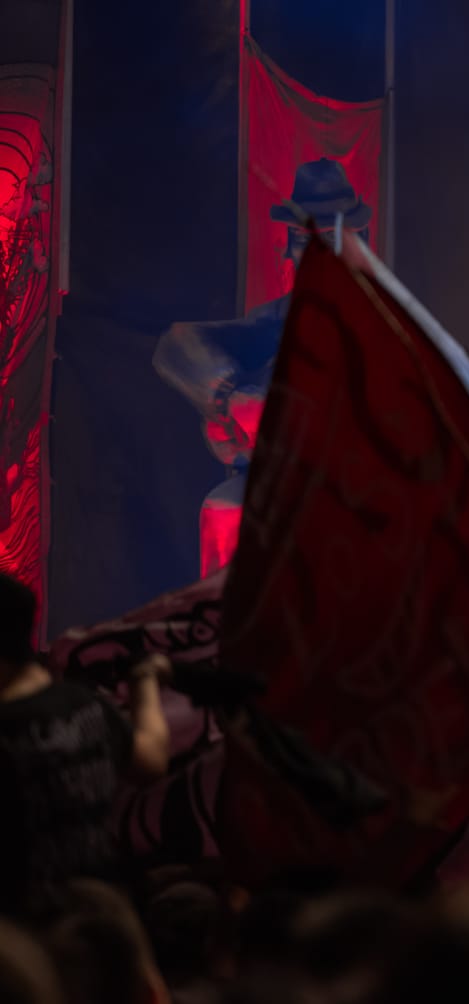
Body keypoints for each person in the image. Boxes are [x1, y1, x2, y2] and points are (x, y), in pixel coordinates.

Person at [153, 158, 373, 577]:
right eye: (302, 242)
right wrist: (230, 397)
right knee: (224, 512)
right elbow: (177, 346)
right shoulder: (279, 318)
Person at [0, 573, 170, 912]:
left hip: (29, 938)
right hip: (103, 917)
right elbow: (151, 758)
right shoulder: (84, 705)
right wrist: (146, 681)